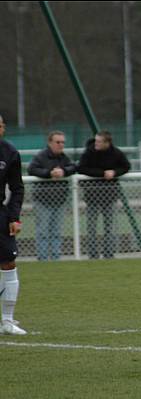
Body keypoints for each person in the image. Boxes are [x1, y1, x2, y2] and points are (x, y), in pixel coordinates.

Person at [78, 131, 131, 259]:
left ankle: (108, 253)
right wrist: (102, 173)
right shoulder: (89, 152)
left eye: (99, 141)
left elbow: (126, 166)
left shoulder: (116, 153)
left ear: (107, 143)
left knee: (109, 227)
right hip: (92, 196)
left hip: (110, 195)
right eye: (96, 141)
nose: (96, 143)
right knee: (91, 227)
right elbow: (81, 168)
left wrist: (114, 172)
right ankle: (92, 254)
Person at [27, 131, 77, 261]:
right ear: (50, 143)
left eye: (63, 142)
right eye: (58, 142)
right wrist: (50, 173)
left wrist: (63, 171)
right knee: (42, 231)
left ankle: (55, 258)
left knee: (57, 231)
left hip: (60, 200)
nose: (61, 145)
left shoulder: (64, 158)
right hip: (43, 200)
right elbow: (32, 169)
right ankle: (43, 258)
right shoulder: (41, 156)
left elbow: (73, 167)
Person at [0, 115, 26, 335]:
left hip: (0, 214)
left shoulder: (10, 152)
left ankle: (7, 321)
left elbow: (17, 188)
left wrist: (14, 217)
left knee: (9, 262)